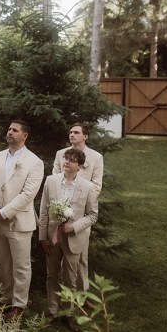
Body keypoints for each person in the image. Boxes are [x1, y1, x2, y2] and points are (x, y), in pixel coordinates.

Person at [0, 120, 44, 321]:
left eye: (15, 130)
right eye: (9, 129)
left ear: (24, 135)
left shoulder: (34, 162)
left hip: (19, 222)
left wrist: (6, 211)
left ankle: (19, 305)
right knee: (3, 264)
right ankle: (4, 299)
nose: (9, 132)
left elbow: (28, 194)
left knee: (21, 265)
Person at [39, 148, 99, 332]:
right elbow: (43, 210)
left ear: (79, 166)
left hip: (74, 238)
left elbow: (92, 215)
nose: (67, 162)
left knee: (70, 278)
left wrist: (74, 227)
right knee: (52, 274)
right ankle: (52, 310)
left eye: (72, 160)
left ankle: (69, 313)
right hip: (53, 236)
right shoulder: (51, 181)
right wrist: (43, 237)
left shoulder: (87, 187)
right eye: (66, 158)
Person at [53, 123, 103, 297]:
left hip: (82, 215)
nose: (71, 134)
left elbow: (96, 186)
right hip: (60, 212)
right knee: (58, 255)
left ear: (85, 136)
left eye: (76, 132)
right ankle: (61, 293)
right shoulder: (61, 154)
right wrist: (62, 208)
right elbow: (55, 180)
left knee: (81, 257)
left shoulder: (96, 157)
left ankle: (82, 294)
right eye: (70, 132)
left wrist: (77, 206)